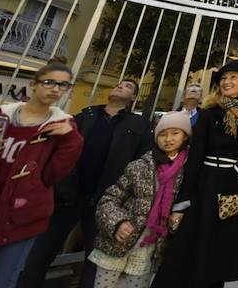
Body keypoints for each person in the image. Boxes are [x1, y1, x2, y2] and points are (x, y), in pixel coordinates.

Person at [0, 60, 83, 288]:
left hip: (22, 219)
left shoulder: (63, 130)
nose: (56, 89)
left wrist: (71, 140)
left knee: (1, 282)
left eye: (63, 86)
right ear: (33, 84)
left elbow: (51, 177)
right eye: (49, 82)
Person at [151, 59, 238, 288]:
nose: (227, 82)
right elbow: (196, 156)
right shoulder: (210, 112)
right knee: (192, 248)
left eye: (233, 77)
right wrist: (182, 201)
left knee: (221, 254)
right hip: (207, 186)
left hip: (237, 186)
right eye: (223, 78)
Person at [19, 78, 151, 288]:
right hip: (70, 195)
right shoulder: (86, 115)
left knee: (94, 259)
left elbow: (142, 162)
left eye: (127, 86)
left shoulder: (139, 124)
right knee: (41, 253)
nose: (120, 86)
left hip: (105, 201)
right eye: (118, 83)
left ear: (133, 98)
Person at [90, 111, 192, 288]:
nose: (168, 139)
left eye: (175, 133)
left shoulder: (188, 173)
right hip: (118, 243)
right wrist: (118, 223)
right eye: (162, 134)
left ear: (185, 136)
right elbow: (109, 198)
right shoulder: (139, 166)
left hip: (148, 249)